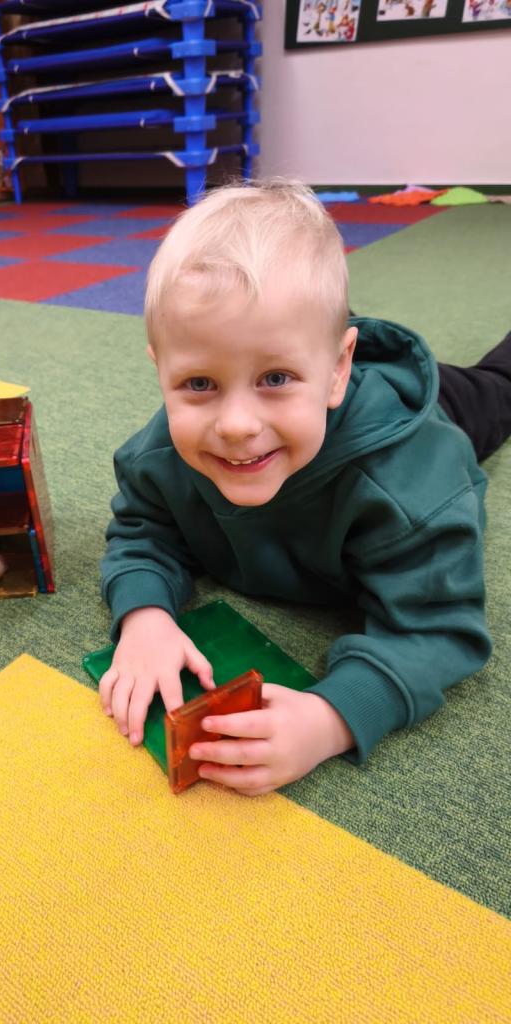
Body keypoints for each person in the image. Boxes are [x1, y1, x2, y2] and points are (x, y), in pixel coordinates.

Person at [98, 179, 511, 796]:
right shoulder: (162, 455)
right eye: (200, 384)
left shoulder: (411, 489)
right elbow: (141, 531)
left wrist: (329, 719)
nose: (236, 426)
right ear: (160, 369)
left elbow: (438, 630)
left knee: (500, 387)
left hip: (433, 410)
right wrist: (145, 617)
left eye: (275, 378)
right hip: (330, 390)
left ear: (340, 368)